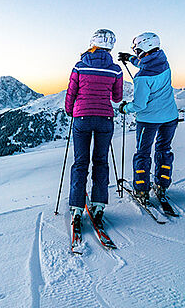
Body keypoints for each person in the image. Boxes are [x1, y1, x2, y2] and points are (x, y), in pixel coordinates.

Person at [65, 29, 123, 234]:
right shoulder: (115, 70)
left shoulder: (79, 66)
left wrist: (71, 111)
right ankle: (99, 205)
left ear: (92, 44)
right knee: (101, 161)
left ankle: (77, 208)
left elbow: (71, 92)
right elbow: (117, 98)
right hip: (105, 119)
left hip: (81, 118)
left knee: (80, 162)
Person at [117, 32, 179, 203]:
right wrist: (130, 59)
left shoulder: (142, 77)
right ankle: (162, 185)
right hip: (170, 117)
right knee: (164, 150)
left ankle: (142, 190)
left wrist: (125, 108)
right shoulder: (164, 62)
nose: (135, 51)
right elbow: (148, 64)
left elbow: (139, 105)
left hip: (149, 121)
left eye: (136, 49)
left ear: (142, 47)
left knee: (143, 154)